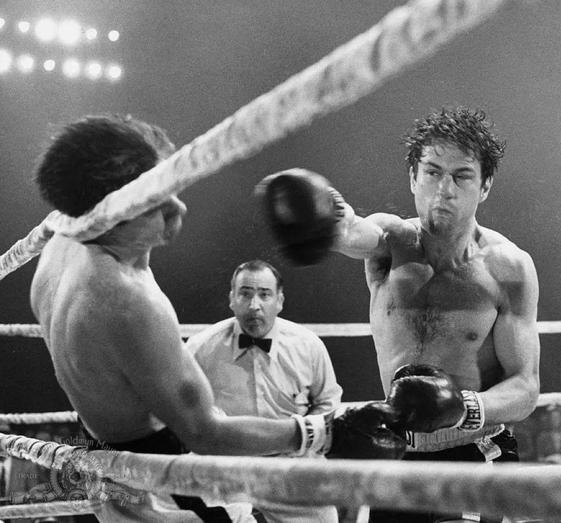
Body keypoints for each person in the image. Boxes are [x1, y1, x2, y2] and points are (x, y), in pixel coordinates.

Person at [29, 114, 407, 523]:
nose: (178, 205)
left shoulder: (62, 241)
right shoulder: (125, 301)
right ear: (113, 209)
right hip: (164, 478)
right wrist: (327, 431)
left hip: (105, 458)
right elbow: (205, 433)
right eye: (159, 196)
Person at [259, 107, 541, 523]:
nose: (444, 189)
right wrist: (322, 216)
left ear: (484, 186)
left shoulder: (508, 268)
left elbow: (525, 387)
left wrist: (464, 407)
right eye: (432, 172)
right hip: (396, 452)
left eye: (461, 176)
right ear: (413, 178)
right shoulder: (391, 242)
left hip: (474, 453)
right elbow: (350, 231)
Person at [186, 259, 342, 523]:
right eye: (245, 294)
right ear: (232, 299)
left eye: (264, 294)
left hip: (293, 469)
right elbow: (186, 412)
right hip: (226, 473)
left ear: (279, 301)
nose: (254, 305)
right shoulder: (201, 348)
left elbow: (328, 404)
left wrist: (303, 443)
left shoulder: (308, 346)